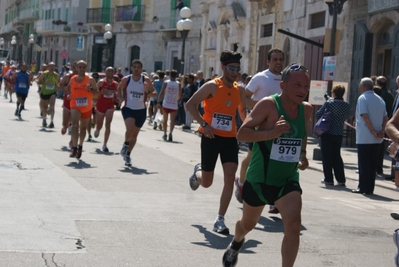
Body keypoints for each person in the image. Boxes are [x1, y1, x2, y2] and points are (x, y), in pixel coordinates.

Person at [222, 63, 312, 267]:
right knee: (247, 225)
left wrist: (303, 154)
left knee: (294, 225)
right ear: (283, 85)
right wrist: (271, 134)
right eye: (297, 84)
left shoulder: (306, 110)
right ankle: (236, 243)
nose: (302, 90)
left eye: (306, 86)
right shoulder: (268, 105)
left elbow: (303, 134)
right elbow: (242, 133)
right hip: (259, 180)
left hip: (287, 181)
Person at [186, 50, 246, 235]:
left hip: (230, 139)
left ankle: (220, 219)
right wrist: (205, 124)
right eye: (231, 68)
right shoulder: (212, 86)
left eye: (237, 68)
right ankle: (198, 173)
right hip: (211, 137)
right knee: (207, 183)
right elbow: (189, 105)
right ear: (223, 67)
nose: (235, 71)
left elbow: (244, 109)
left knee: (229, 176)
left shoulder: (240, 89)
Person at [235, 48, 285, 216]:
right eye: (275, 59)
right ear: (268, 62)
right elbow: (244, 98)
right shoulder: (260, 78)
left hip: (281, 127)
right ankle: (241, 184)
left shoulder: (287, 79)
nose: (278, 62)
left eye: (281, 59)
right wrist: (261, 109)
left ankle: (277, 199)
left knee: (279, 162)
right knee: (250, 159)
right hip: (260, 127)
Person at [352, 77, 388, 195]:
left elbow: (365, 116)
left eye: (360, 86)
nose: (359, 88)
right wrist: (382, 130)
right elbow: (385, 117)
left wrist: (372, 130)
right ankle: (370, 188)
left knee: (363, 164)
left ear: (364, 86)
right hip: (377, 138)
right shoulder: (380, 99)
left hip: (365, 137)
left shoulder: (362, 98)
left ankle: (363, 187)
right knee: (372, 164)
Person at [117, 60, 155, 167]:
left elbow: (154, 94)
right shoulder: (126, 79)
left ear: (141, 69)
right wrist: (120, 97)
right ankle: (125, 144)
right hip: (128, 108)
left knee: (134, 135)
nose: (136, 69)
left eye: (138, 67)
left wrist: (147, 91)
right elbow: (119, 88)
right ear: (131, 68)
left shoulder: (146, 80)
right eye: (134, 67)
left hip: (141, 110)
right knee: (130, 129)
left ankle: (128, 154)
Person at [316, 85, 351, 186]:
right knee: (337, 156)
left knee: (327, 156)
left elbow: (318, 114)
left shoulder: (329, 103)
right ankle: (341, 179)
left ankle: (328, 178)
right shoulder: (346, 105)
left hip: (327, 132)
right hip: (339, 133)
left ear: (334, 93)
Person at [66, 60, 98, 159]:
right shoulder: (73, 79)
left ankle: (80, 146)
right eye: (80, 67)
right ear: (76, 68)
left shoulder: (90, 79)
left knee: (83, 129)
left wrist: (91, 89)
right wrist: (68, 94)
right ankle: (74, 148)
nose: (81, 69)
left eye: (83, 67)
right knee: (75, 125)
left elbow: (97, 93)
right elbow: (67, 87)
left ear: (86, 68)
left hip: (86, 107)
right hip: (75, 105)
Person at [94, 67, 118, 152]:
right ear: (105, 73)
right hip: (100, 105)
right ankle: (97, 129)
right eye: (109, 71)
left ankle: (105, 144)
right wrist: (101, 92)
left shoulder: (115, 84)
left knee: (108, 124)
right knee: (99, 124)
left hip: (110, 106)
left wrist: (117, 97)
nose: (110, 73)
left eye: (112, 71)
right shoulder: (101, 82)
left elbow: (118, 94)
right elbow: (94, 92)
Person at [157, 69, 181, 141]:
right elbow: (180, 94)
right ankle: (170, 132)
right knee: (172, 120)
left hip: (166, 103)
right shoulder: (178, 84)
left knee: (165, 119)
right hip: (174, 104)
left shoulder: (166, 83)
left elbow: (162, 92)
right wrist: (176, 99)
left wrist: (158, 101)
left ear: (170, 75)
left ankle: (165, 133)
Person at [38, 62, 59, 128]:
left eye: (53, 66)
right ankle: (44, 120)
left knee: (52, 106)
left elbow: (58, 83)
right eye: (50, 66)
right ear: (48, 67)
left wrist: (58, 87)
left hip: (52, 93)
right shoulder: (44, 74)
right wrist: (44, 82)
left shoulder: (56, 75)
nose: (52, 68)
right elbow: (39, 82)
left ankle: (51, 122)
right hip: (44, 93)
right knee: (45, 108)